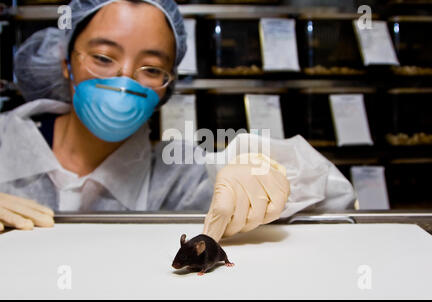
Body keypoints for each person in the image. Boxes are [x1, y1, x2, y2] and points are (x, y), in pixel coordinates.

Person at [0, 0, 355, 241]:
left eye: (151, 68)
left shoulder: (180, 176)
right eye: (104, 57)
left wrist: (269, 173)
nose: (124, 82)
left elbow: (336, 206)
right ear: (66, 63)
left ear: (167, 85)